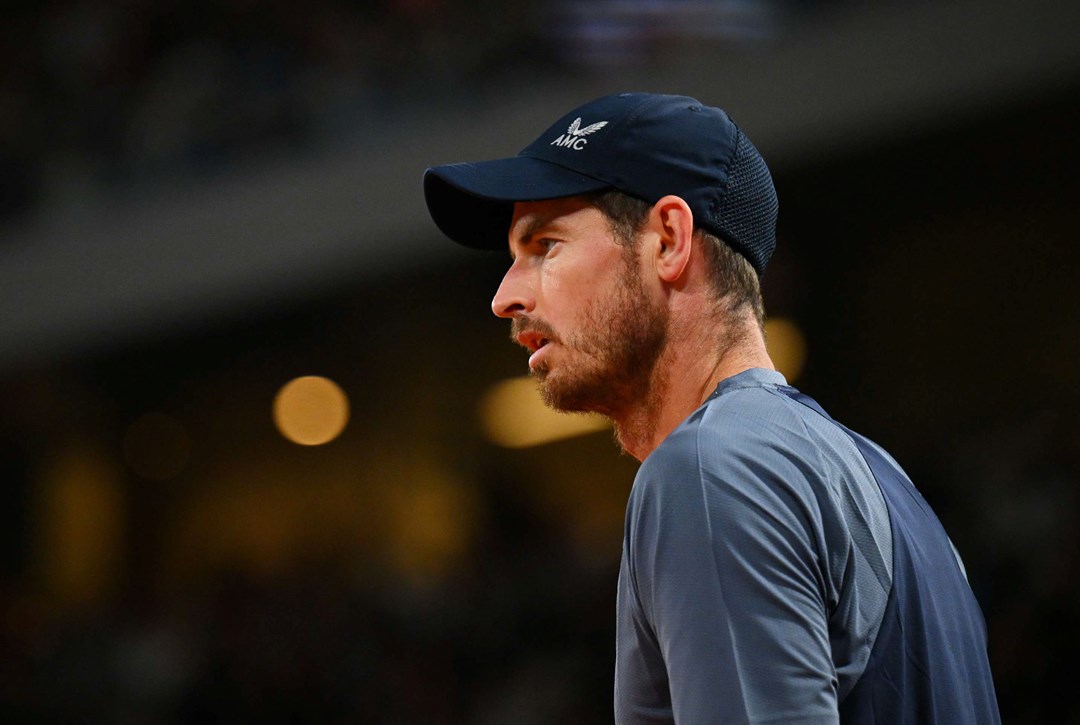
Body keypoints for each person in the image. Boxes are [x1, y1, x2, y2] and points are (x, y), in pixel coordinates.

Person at [423, 92, 1000, 724]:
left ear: (669, 239)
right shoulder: (881, 476)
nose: (505, 296)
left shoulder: (708, 469)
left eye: (545, 245)